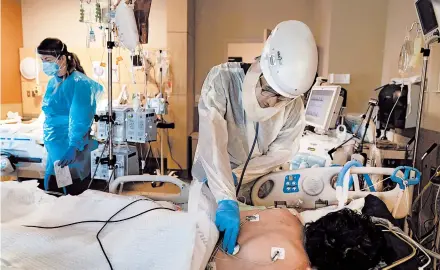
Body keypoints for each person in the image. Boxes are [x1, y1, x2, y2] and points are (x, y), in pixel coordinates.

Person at [192, 21, 318, 254]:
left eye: (281, 98)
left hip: (254, 185)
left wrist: (237, 179)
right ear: (261, 66)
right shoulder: (222, 80)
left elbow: (280, 153)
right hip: (212, 178)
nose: (271, 103)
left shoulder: (293, 107)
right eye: (269, 89)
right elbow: (213, 142)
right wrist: (224, 192)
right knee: (205, 245)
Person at [37, 38, 103, 195]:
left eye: (48, 59)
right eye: (42, 60)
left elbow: (80, 117)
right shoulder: (53, 83)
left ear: (61, 58)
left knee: (68, 190)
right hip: (55, 144)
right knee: (53, 189)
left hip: (69, 145)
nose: (44, 64)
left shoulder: (79, 83)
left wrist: (74, 146)